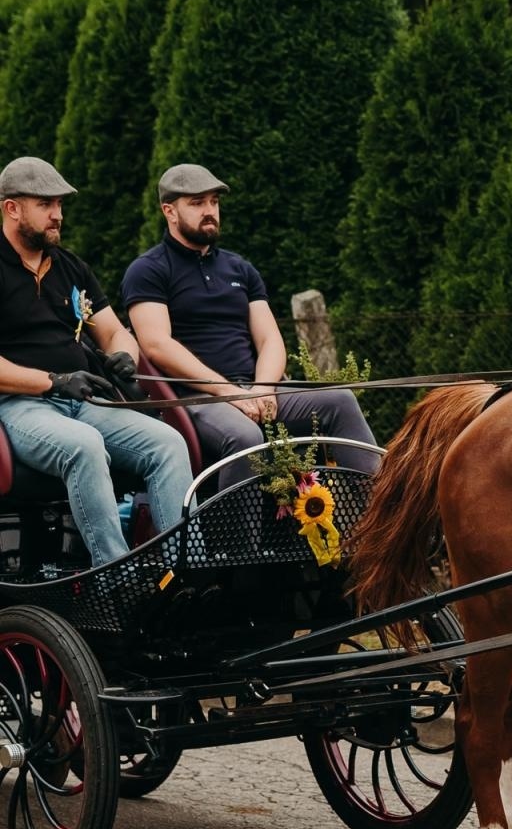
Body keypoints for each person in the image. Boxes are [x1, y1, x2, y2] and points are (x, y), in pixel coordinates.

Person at [122, 163, 379, 491]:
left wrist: (264, 387)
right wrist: (226, 390)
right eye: (197, 203)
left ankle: (378, 526)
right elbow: (156, 343)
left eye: (214, 202)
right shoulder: (148, 270)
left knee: (340, 401)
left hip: (254, 390)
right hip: (195, 399)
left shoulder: (239, 268)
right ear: (169, 211)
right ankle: (237, 543)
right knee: (245, 436)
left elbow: (270, 338)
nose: (210, 210)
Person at [0, 157, 193, 569]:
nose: (58, 215)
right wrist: (52, 382)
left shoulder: (69, 266)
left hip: (83, 401)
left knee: (168, 442)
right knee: (85, 448)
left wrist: (125, 355)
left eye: (60, 205)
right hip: (19, 407)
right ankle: (114, 578)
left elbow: (113, 331)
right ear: (12, 208)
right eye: (46, 204)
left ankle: (183, 574)